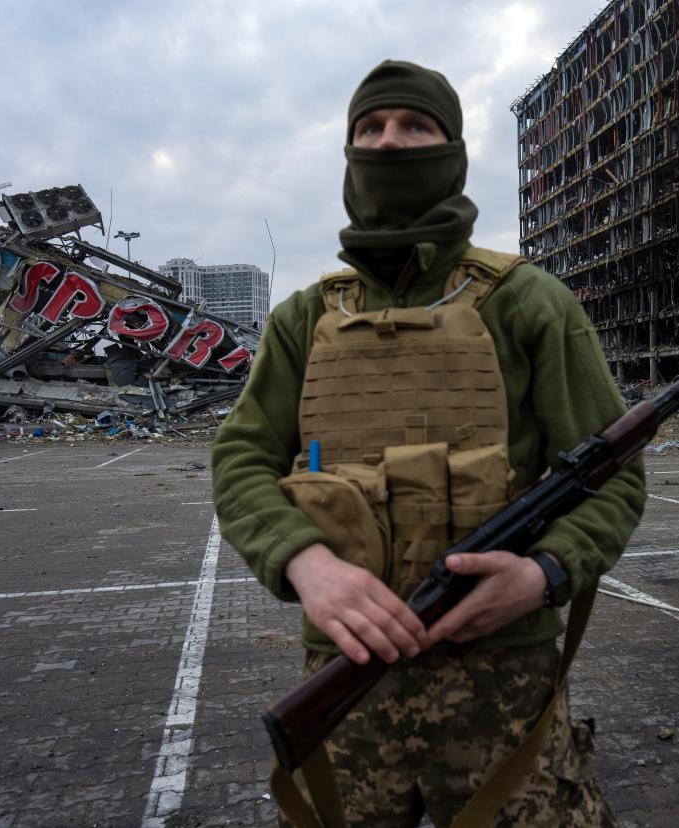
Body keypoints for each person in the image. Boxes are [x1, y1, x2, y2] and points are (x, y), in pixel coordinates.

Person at [211, 59, 645, 827]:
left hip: (503, 678)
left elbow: (613, 475)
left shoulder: (530, 303)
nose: (390, 143)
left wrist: (545, 572)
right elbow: (241, 460)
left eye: (416, 126)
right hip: (347, 673)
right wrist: (307, 566)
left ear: (452, 151)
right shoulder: (302, 318)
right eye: (370, 129)